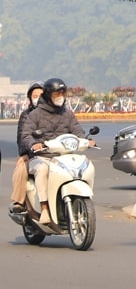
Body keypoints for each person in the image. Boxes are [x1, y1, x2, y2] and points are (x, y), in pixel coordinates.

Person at [17, 78, 93, 225]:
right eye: (56, 94)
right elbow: (26, 135)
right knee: (42, 169)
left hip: (64, 156)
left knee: (84, 165)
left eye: (62, 93)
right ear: (48, 95)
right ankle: (44, 208)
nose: (60, 97)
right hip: (42, 157)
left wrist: (86, 140)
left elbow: (77, 131)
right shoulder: (35, 114)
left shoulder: (68, 114)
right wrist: (34, 144)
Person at [9, 82, 43, 214]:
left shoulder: (55, 113)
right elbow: (22, 137)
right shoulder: (26, 115)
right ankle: (19, 201)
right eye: (35, 96)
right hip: (33, 153)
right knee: (21, 167)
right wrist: (25, 153)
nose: (38, 98)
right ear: (30, 98)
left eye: (41, 95)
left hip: (53, 152)